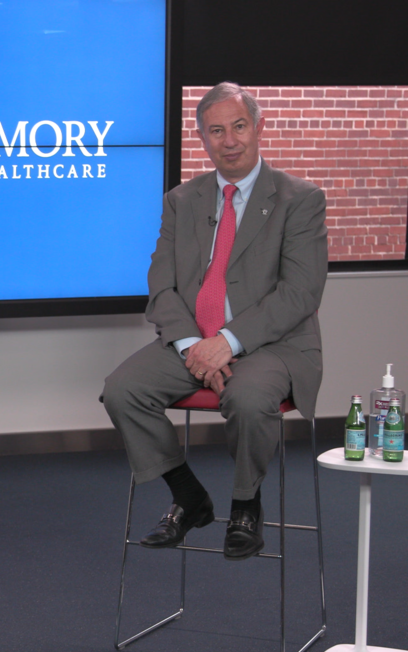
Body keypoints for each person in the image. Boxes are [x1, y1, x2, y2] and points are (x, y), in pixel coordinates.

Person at [101, 82, 326, 560]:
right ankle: (188, 496)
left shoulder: (300, 199)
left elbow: (300, 293)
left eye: (239, 126)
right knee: (123, 389)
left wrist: (227, 341)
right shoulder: (182, 200)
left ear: (259, 127)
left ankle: (246, 505)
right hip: (193, 341)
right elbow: (161, 286)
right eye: (216, 131)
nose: (230, 140)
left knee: (248, 397)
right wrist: (192, 346)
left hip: (272, 344)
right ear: (202, 138)